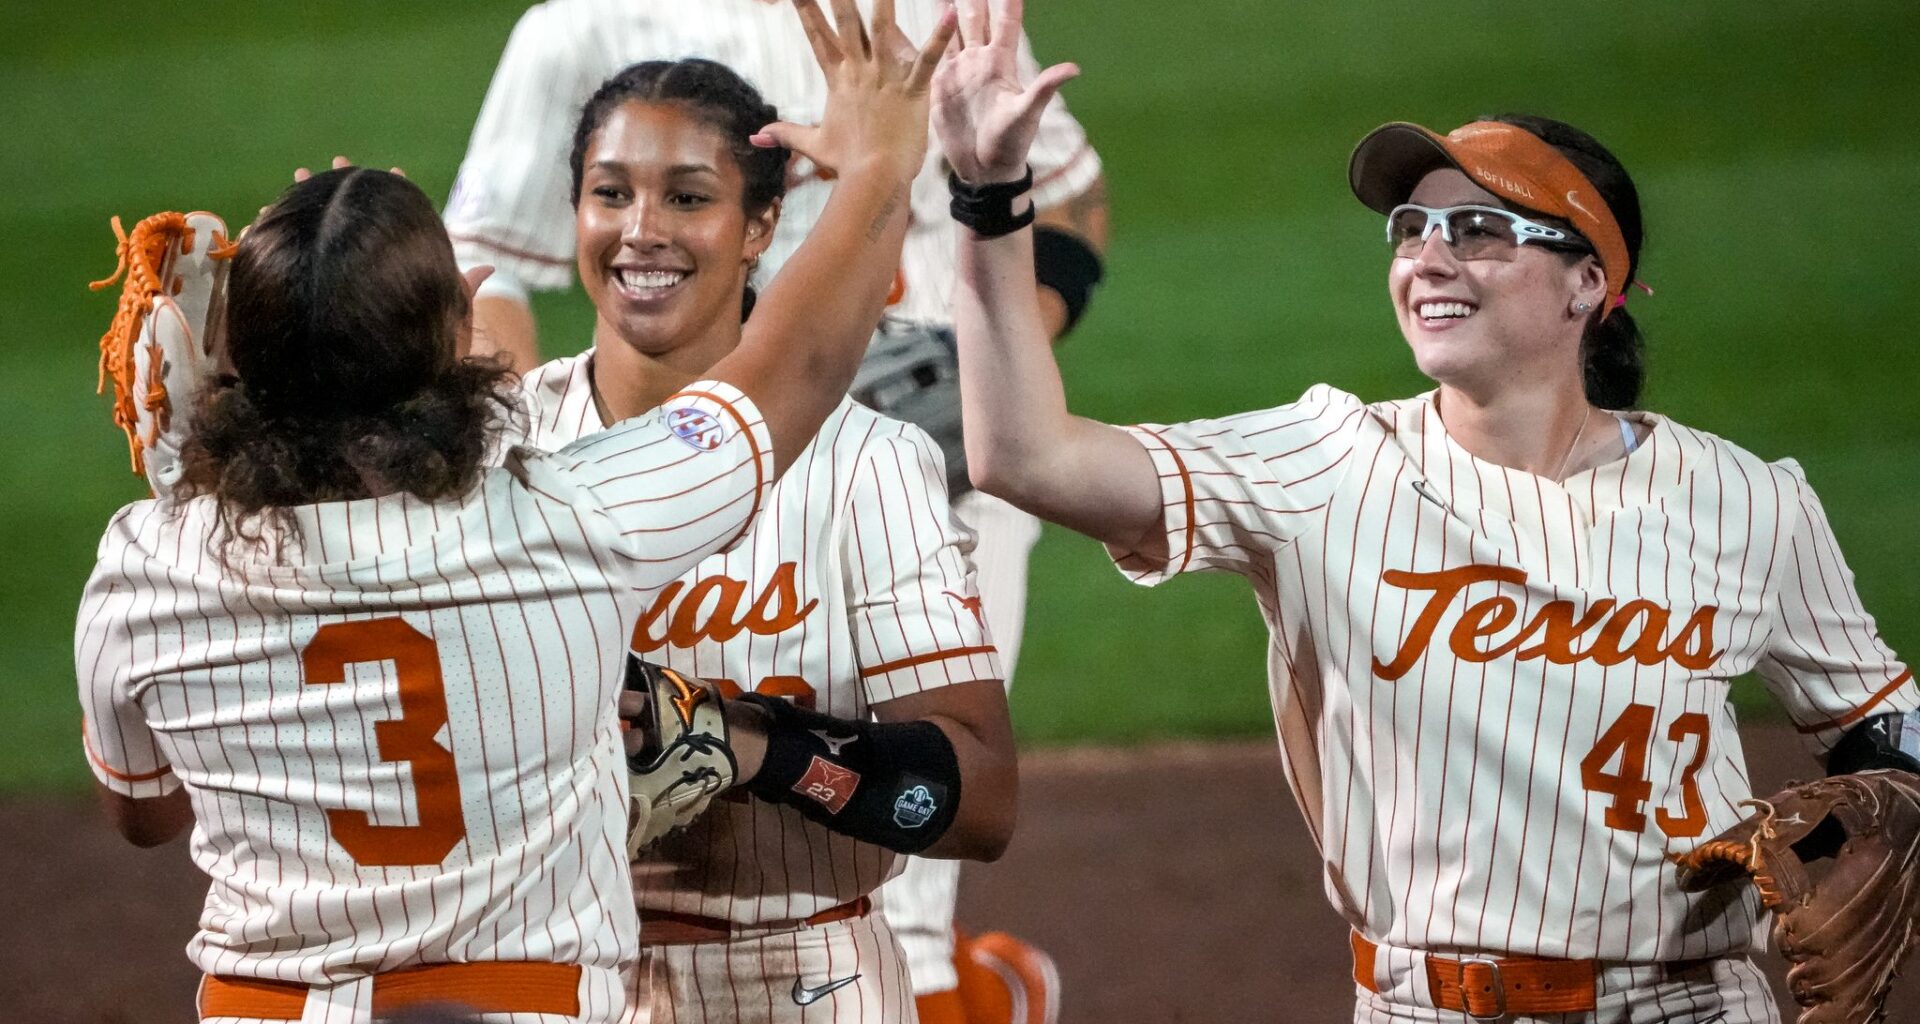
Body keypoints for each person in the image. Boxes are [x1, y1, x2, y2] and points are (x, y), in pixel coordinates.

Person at [929, 1, 1916, 1019]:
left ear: (1588, 283)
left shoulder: (1746, 500)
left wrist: (1886, 808)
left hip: (1693, 1004)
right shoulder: (1324, 464)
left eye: (1480, 231)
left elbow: (1886, 728)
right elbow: (1026, 456)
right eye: (1411, 230)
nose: (1429, 258)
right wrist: (989, 197)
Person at [74, 4, 948, 1020]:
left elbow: (143, 811)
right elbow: (794, 366)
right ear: (452, 342)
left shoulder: (146, 564)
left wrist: (210, 468)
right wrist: (880, 168)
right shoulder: (566, 519)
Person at [444, 4, 1104, 1012]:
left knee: (916, 915)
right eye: (611, 193)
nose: (642, 227)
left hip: (810, 973)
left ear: (762, 224)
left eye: (687, 196)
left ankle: (971, 988)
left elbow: (971, 796)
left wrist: (985, 373)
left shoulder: (870, 464)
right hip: (573, 971)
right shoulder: (511, 456)